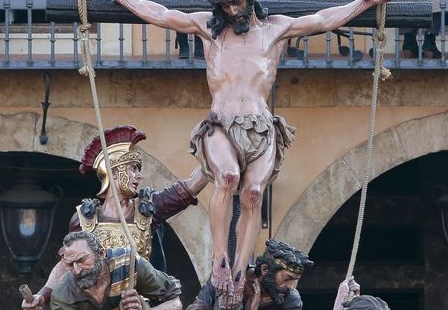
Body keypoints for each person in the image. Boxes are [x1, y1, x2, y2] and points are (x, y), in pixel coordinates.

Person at [89, 0, 399, 307]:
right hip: (221, 123)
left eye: (236, 2)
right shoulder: (208, 29)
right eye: (225, 5)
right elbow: (162, 14)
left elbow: (323, 19)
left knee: (253, 193)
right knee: (227, 176)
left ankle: (239, 269)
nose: (232, 10)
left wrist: (367, 0)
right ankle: (219, 259)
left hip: (261, 126)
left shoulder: (275, 29)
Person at [22, 125, 207, 309]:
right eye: (133, 169)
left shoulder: (148, 209)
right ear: (114, 173)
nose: (139, 176)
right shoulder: (84, 219)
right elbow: (66, 265)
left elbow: (190, 187)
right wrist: (43, 295)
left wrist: (213, 154)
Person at [49, 231, 182, 310]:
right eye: (70, 264)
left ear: (100, 254)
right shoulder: (64, 293)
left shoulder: (130, 265)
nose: (76, 271)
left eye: (81, 260)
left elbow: (175, 303)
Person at [187, 239, 313, 310]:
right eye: (287, 278)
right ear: (264, 269)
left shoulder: (291, 299)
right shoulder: (226, 278)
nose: (291, 286)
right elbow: (197, 307)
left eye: (294, 280)